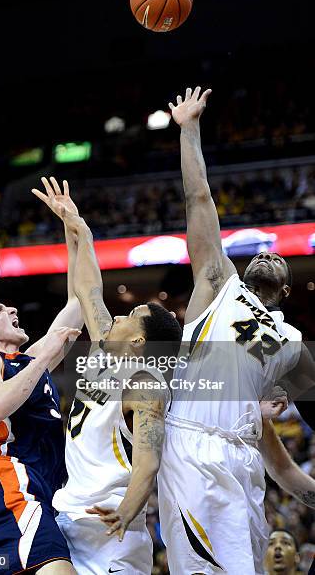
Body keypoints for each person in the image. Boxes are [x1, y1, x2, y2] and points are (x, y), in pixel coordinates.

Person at [157, 86, 312, 575]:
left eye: (279, 259)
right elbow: (198, 198)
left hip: (244, 459)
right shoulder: (219, 284)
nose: (268, 254)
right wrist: (189, 129)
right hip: (194, 447)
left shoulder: (290, 341)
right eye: (261, 254)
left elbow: (291, 448)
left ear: (286, 292)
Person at [32, 177, 182, 575]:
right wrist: (76, 227)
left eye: (131, 317)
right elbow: (87, 291)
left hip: (110, 526)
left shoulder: (145, 383)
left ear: (138, 341)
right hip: (68, 514)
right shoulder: (103, 350)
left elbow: (148, 461)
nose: (119, 314)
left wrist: (127, 515)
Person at [0, 192, 83, 575]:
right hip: (13, 479)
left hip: (43, 486)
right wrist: (45, 357)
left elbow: (78, 300)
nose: (13, 310)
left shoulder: (23, 361)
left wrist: (72, 227)